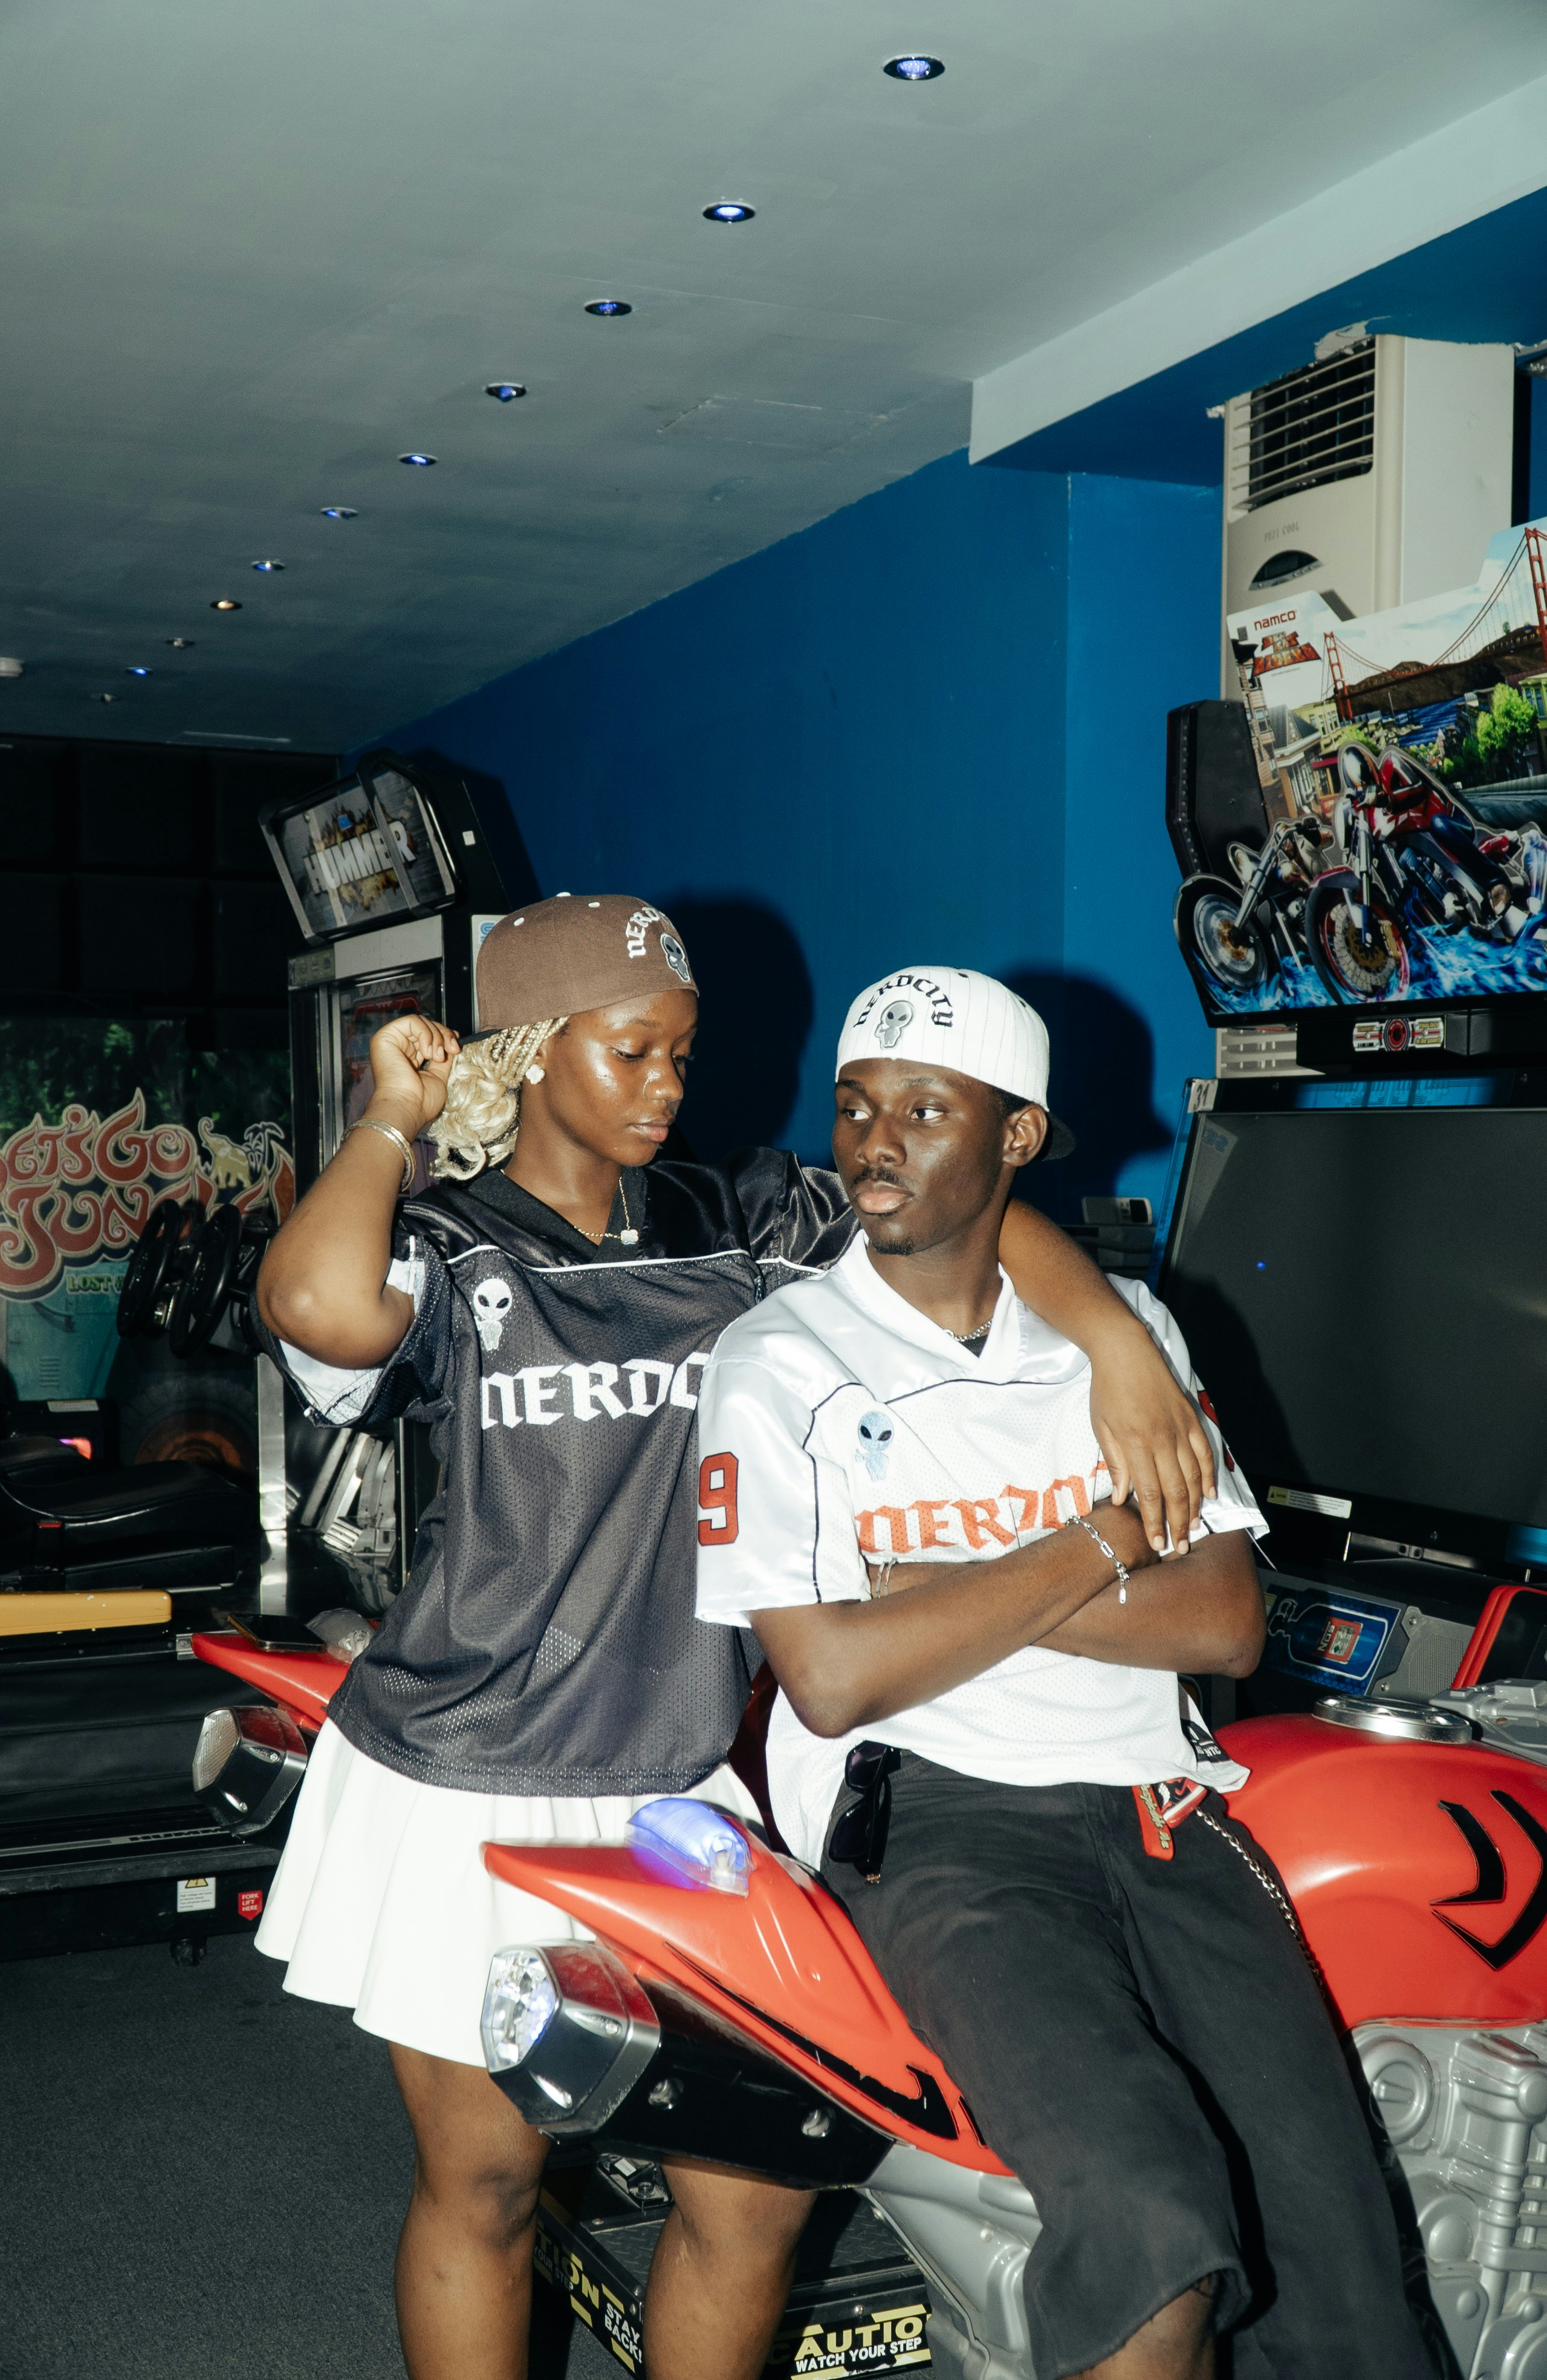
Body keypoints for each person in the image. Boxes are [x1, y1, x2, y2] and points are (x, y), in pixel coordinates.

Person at [253, 898, 1221, 2380]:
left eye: (682, 1056)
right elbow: (315, 1303)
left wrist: (1117, 1347)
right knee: (494, 2183)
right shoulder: (441, 1250)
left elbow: (975, 1216)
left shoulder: (748, 1223)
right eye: (631, 1051)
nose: (665, 1087)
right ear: (530, 1051)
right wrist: (394, 1114)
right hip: (464, 1780)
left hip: (674, 1787)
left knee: (757, 2192)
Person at [694, 964, 1433, 2380]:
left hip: (1161, 1812)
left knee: (1336, 2267)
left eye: (924, 1108)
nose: (873, 1141)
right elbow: (836, 1678)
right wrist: (1103, 1540)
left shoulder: (1127, 1341)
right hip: (936, 1826)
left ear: (1017, 1137)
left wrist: (937, 1594)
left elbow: (1220, 1620)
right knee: (1152, 2227)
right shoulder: (777, 1358)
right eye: (854, 1107)